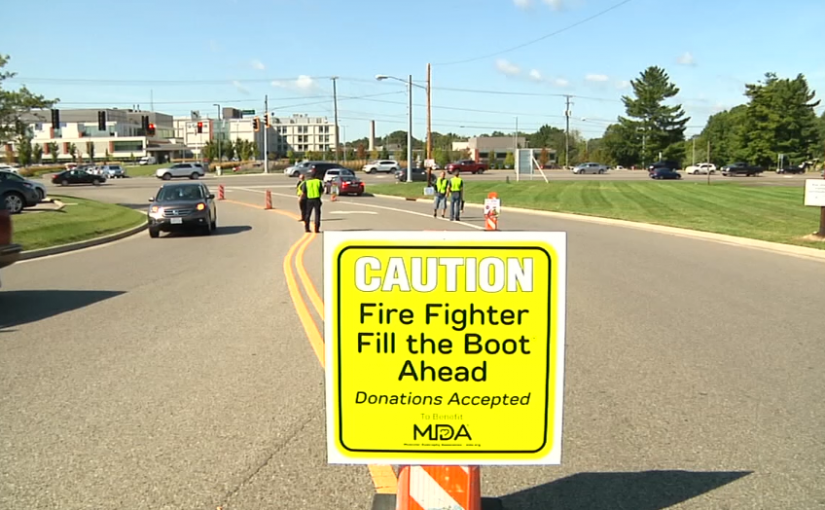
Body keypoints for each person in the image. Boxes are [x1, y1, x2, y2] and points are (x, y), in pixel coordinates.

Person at [300, 168, 324, 233]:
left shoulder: (306, 182)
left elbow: (304, 191)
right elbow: (322, 191)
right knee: (317, 214)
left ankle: (307, 228)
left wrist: (301, 199)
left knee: (308, 214)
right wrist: (318, 195)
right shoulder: (318, 182)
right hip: (317, 199)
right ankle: (316, 229)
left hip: (309, 199)